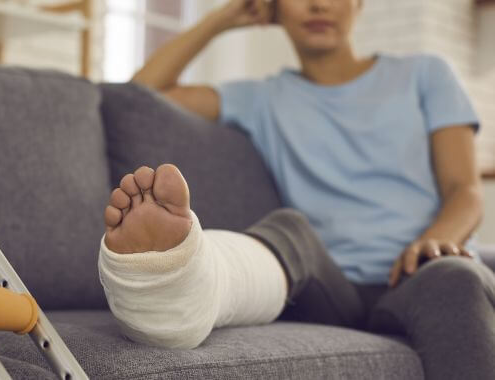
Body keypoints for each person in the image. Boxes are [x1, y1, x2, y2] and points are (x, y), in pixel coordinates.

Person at [96, 0, 495, 379]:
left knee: (458, 278)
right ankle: (171, 287)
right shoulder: (261, 99)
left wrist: (435, 242)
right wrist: (225, 17)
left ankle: (172, 290)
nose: (318, 4)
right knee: (290, 227)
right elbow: (137, 97)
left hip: (421, 274)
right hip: (328, 286)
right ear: (273, 8)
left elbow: (465, 191)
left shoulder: (426, 74)